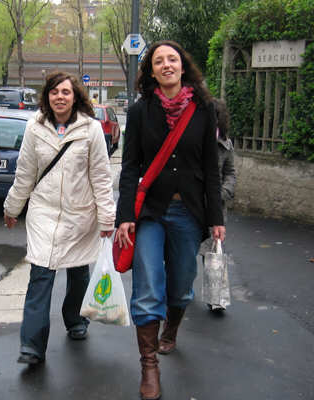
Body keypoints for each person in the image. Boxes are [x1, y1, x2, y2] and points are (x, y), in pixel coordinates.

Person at [114, 40, 225, 400]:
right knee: (148, 286)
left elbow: (211, 169)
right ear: (151, 71)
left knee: (180, 286)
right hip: (151, 213)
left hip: (188, 212)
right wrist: (125, 216)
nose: (166, 65)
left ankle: (172, 328)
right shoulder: (140, 111)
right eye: (158, 61)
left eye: (172, 59)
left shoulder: (204, 110)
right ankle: (149, 366)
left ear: (182, 66)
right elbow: (130, 167)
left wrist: (216, 217)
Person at [3, 71, 116, 365]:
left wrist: (107, 219)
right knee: (41, 275)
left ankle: (76, 319)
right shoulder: (35, 127)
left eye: (65, 92)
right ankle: (31, 346)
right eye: (54, 92)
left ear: (75, 96)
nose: (60, 97)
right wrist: (12, 208)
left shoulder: (91, 129)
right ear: (47, 96)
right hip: (44, 213)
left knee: (78, 273)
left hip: (81, 215)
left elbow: (101, 176)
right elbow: (25, 173)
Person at [200, 97, 236, 311]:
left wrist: (222, 193)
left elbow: (230, 173)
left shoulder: (225, 144)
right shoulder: (194, 139)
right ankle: (180, 291)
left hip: (215, 208)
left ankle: (215, 297)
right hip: (193, 205)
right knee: (184, 252)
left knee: (212, 252)